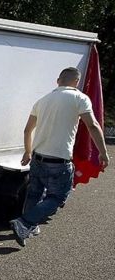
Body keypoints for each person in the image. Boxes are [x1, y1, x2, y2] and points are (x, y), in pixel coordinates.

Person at [10, 66, 109, 246]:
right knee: (57, 198)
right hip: (59, 161)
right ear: (76, 82)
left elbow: (27, 130)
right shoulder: (80, 98)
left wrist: (27, 151)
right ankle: (24, 223)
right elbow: (92, 126)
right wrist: (103, 153)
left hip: (38, 158)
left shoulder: (42, 100)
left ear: (58, 80)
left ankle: (28, 227)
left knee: (34, 194)